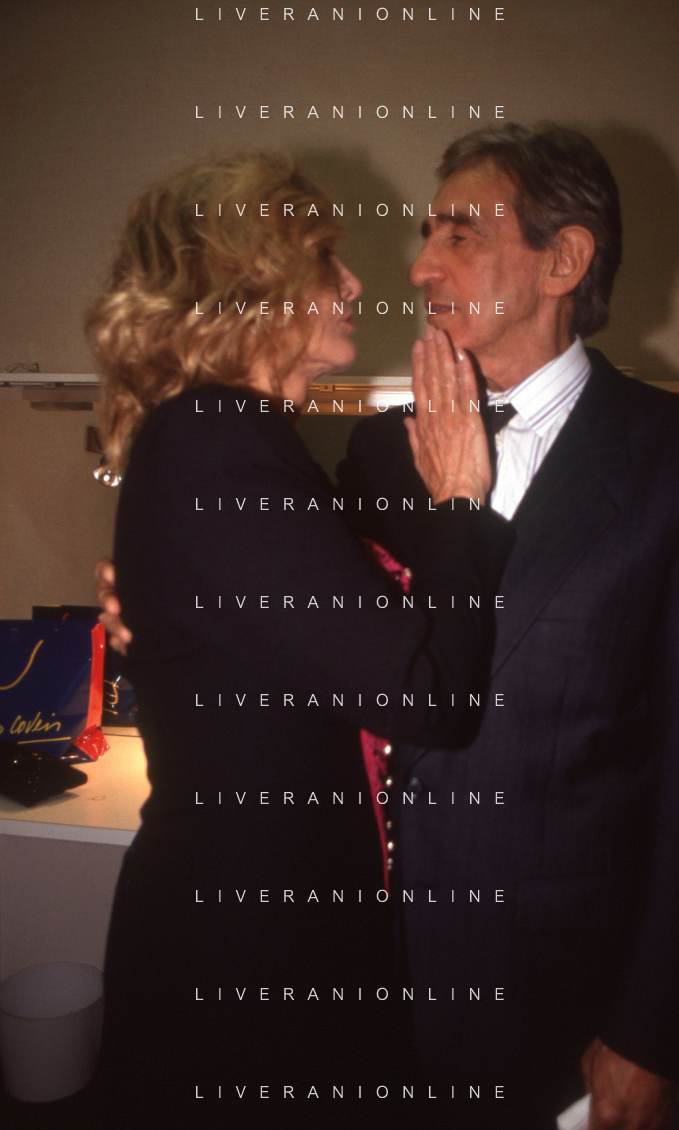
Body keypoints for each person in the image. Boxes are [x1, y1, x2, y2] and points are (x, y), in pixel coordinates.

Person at [99, 125, 679, 1130]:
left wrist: (655, 1030)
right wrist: (151, 609)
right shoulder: (376, 451)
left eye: (460, 233)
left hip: (557, 1004)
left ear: (563, 259)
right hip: (354, 992)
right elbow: (292, 616)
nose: (418, 267)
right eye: (427, 235)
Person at [87, 152, 513, 1130]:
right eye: (326, 260)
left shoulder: (231, 440)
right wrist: (461, 498)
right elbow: (426, 693)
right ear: (247, 284)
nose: (355, 283)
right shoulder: (217, 438)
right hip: (241, 963)